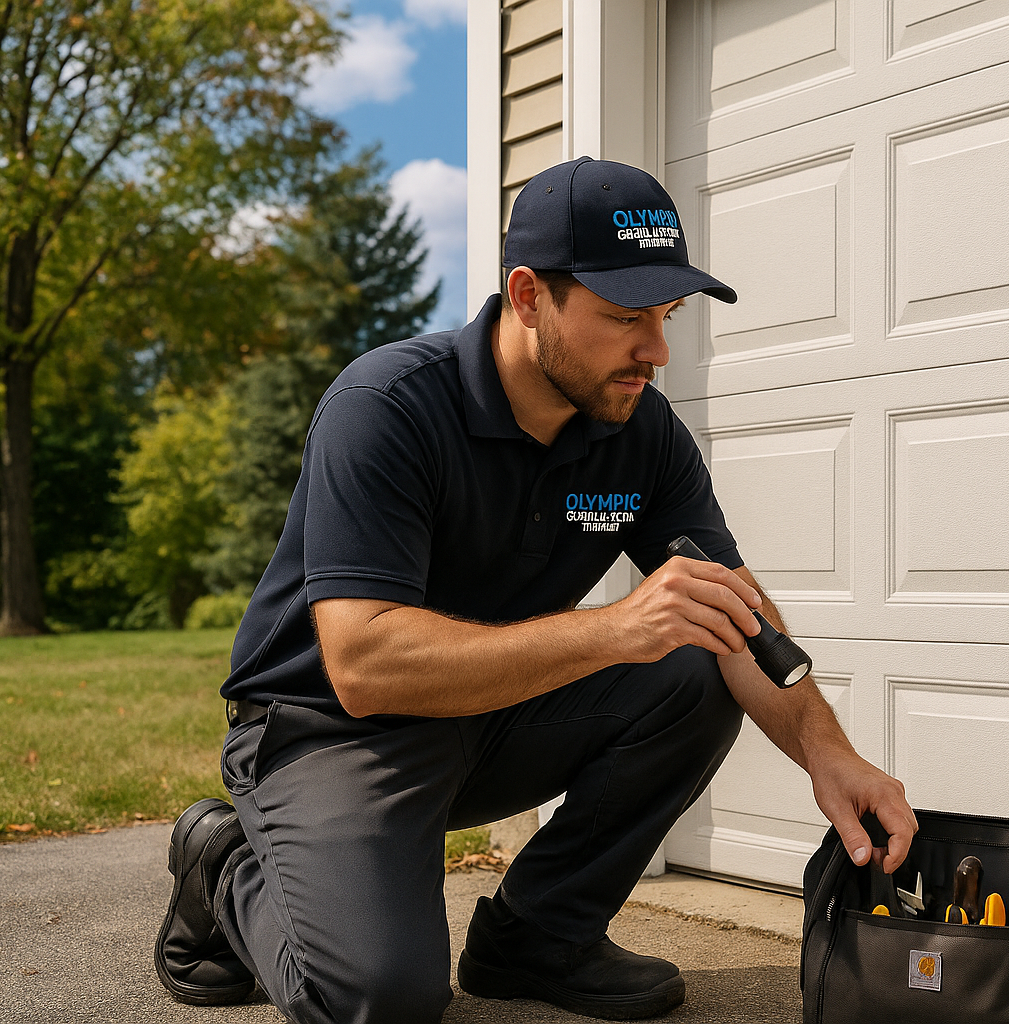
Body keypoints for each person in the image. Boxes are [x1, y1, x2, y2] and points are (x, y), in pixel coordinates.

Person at [153, 157, 917, 1024]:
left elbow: (734, 610)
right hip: (328, 733)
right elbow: (363, 663)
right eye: (625, 317)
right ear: (527, 295)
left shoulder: (637, 427)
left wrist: (830, 755)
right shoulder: (387, 407)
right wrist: (614, 630)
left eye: (666, 317)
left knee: (701, 664)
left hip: (492, 715)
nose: (657, 352)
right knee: (376, 1001)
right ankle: (220, 859)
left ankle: (537, 939)